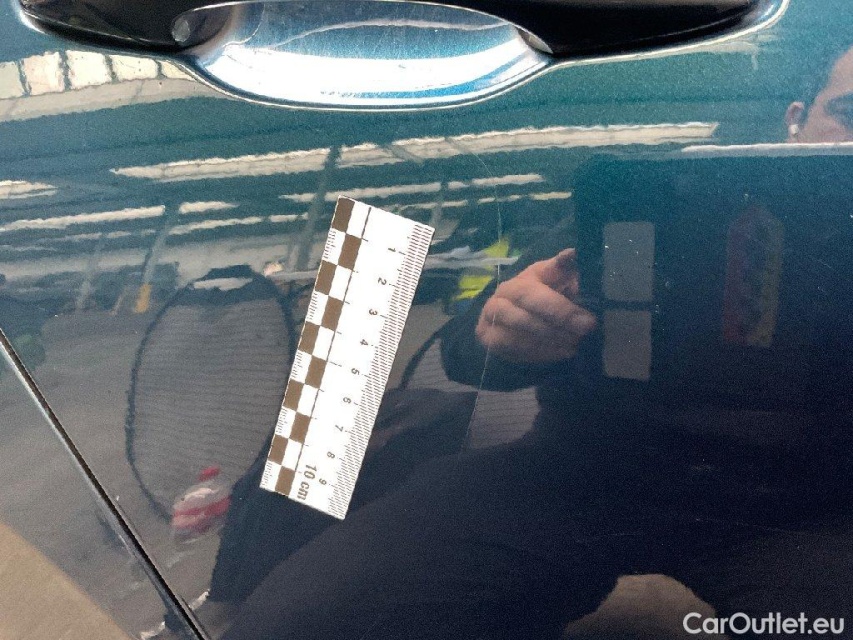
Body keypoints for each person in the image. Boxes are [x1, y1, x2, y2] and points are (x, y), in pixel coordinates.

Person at [223, 45, 853, 640]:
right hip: (581, 470)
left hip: (809, 503)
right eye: (847, 113)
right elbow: (463, 349)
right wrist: (505, 327)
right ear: (796, 119)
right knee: (308, 621)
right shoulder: (658, 193)